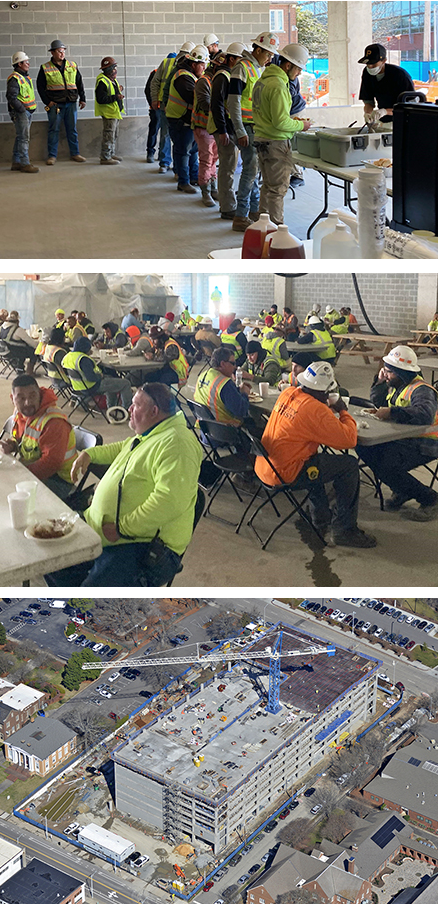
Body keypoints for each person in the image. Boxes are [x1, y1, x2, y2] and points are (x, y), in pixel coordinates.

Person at [45, 383, 202, 587]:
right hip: (112, 533)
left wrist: (122, 528)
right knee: (50, 560)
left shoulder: (177, 444)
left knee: (90, 599)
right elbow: (124, 446)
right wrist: (89, 454)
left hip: (144, 545)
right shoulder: (154, 432)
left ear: (154, 411)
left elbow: (169, 501)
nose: (128, 408)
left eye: (135, 405)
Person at [254, 361, 376, 547]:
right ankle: (345, 530)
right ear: (324, 391)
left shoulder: (289, 393)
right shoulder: (315, 409)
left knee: (316, 460)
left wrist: (326, 411)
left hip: (265, 465)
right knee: (349, 465)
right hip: (286, 472)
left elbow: (307, 419)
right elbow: (349, 440)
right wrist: (343, 410)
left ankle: (320, 516)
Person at [356, 346, 438, 522]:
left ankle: (429, 498)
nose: (386, 375)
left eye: (389, 372)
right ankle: (402, 490)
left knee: (386, 464)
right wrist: (379, 382)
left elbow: (424, 414)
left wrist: (392, 413)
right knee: (366, 448)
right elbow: (378, 403)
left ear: (402, 373)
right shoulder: (398, 384)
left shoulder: (421, 390)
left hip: (427, 443)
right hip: (403, 438)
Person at [253, 43, 311, 225]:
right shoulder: (278, 86)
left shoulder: (262, 81)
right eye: (298, 69)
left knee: (267, 186)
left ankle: (262, 227)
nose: (299, 74)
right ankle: (277, 230)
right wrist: (302, 125)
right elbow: (280, 122)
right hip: (276, 143)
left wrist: (294, 123)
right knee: (277, 190)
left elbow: (272, 117)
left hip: (262, 140)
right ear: (288, 65)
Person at [228, 32, 280, 231]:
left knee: (254, 170)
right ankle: (241, 216)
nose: (270, 58)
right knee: (250, 171)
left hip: (254, 127)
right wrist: (239, 129)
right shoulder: (242, 68)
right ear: (257, 50)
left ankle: (253, 211)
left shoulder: (256, 69)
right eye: (267, 54)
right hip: (246, 128)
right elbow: (234, 101)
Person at [0, 374, 77, 500]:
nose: (27, 402)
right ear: (12, 399)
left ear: (40, 394)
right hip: (33, 467)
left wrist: (18, 474)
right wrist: (13, 444)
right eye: (21, 398)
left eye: (32, 396)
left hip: (58, 480)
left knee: (9, 493)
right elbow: (24, 439)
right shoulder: (20, 413)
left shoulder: (53, 422)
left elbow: (50, 464)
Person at [207, 41, 245, 220]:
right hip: (223, 127)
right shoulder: (223, 76)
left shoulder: (229, 74)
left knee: (229, 166)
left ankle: (228, 203)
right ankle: (227, 207)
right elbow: (216, 105)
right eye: (238, 59)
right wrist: (222, 130)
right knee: (227, 167)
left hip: (228, 126)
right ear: (231, 59)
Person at [166, 44, 209, 194]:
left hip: (185, 118)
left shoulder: (189, 75)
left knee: (192, 150)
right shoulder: (183, 77)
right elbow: (194, 98)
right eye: (202, 64)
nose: (204, 68)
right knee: (183, 151)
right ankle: (183, 182)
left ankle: (192, 177)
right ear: (193, 63)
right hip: (179, 118)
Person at [37, 39, 86, 165]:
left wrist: (83, 98)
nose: (62, 54)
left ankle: (75, 153)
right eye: (59, 51)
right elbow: (40, 87)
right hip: (55, 105)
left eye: (63, 51)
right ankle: (52, 156)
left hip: (71, 103)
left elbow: (79, 83)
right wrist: (47, 102)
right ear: (52, 53)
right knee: (54, 130)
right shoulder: (45, 68)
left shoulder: (72, 65)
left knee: (72, 129)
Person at [62, 336, 132, 411]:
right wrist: (100, 376)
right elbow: (91, 378)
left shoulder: (68, 356)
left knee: (110, 378)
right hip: (92, 386)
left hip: (77, 386)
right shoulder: (83, 359)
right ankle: (127, 410)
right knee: (126, 383)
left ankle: (111, 407)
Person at [150, 46, 187, 173]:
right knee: (166, 134)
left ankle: (177, 167)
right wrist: (155, 99)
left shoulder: (191, 68)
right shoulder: (167, 63)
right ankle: (165, 163)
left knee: (178, 138)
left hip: (181, 109)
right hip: (166, 106)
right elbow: (155, 82)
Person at [358, 42, 414, 124]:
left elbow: (410, 106)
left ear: (384, 60)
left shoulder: (400, 75)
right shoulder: (367, 74)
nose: (370, 67)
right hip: (383, 121)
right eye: (368, 64)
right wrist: (368, 113)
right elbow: (368, 100)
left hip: (403, 120)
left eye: (374, 64)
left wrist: (386, 111)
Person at [194, 345, 251, 425]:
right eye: (233, 363)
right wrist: (245, 393)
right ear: (223, 364)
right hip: (226, 431)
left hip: (206, 428)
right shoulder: (225, 383)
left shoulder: (203, 375)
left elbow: (218, 396)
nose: (234, 367)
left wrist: (238, 391)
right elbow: (241, 411)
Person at [191, 54, 220, 207]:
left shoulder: (216, 81)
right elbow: (205, 104)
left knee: (214, 159)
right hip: (203, 127)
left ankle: (213, 187)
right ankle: (205, 191)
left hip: (214, 127)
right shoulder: (204, 82)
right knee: (206, 160)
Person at [6, 50, 39, 174]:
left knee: (20, 137)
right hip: (21, 113)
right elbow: (11, 97)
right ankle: (25, 163)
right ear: (19, 64)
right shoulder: (15, 78)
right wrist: (22, 110)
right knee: (24, 138)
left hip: (26, 112)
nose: (28, 64)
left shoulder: (24, 77)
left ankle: (16, 162)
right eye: (26, 61)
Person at [95, 56, 124, 165]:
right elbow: (101, 99)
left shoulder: (111, 79)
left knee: (114, 135)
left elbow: (112, 91)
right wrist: (116, 97)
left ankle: (111, 153)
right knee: (108, 135)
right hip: (108, 113)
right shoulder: (102, 81)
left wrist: (119, 89)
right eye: (113, 67)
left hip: (114, 112)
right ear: (107, 70)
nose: (115, 70)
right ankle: (105, 157)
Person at [145, 65, 159, 163]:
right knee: (154, 130)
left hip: (168, 109)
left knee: (166, 135)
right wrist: (152, 104)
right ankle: (150, 152)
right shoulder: (155, 72)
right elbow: (147, 90)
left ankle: (163, 156)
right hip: (156, 109)